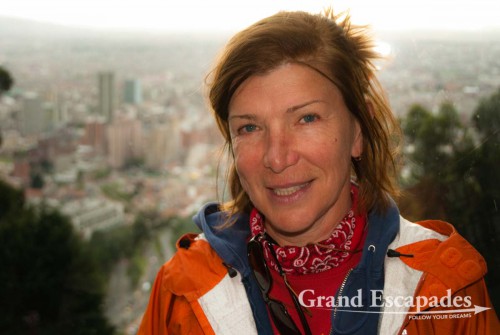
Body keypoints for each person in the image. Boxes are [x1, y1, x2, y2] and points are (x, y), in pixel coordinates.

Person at [138, 9, 499, 335]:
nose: (277, 159)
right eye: (249, 128)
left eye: (307, 118)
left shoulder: (444, 288)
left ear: (358, 131)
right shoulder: (183, 292)